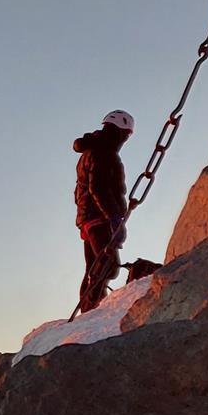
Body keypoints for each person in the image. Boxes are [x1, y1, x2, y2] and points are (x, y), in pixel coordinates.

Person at [74, 109, 135, 316]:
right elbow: (98, 188)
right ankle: (92, 307)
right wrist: (114, 217)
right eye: (126, 135)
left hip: (88, 216)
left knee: (94, 265)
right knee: (107, 264)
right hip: (98, 216)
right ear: (121, 131)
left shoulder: (92, 150)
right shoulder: (103, 152)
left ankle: (89, 306)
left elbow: (85, 188)